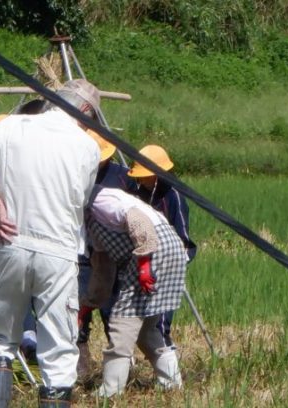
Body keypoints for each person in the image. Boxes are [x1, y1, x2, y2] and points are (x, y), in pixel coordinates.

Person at [0, 79, 103, 407]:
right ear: (83, 110)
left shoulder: (14, 125)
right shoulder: (87, 146)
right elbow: (82, 198)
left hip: (12, 241)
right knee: (58, 351)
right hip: (60, 249)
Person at [83, 187, 187, 397]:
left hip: (153, 251)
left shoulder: (101, 200)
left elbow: (138, 220)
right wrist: (88, 305)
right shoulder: (92, 220)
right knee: (146, 330)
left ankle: (111, 391)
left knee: (123, 322)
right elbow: (103, 271)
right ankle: (171, 384)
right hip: (164, 250)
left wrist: (144, 266)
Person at [75, 129, 136, 379]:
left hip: (115, 254)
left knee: (114, 309)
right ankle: (80, 362)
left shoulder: (122, 177)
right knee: (80, 305)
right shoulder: (75, 173)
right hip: (83, 251)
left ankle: (122, 363)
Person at [127, 144, 195, 354]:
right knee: (136, 325)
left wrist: (173, 263)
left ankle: (170, 375)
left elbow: (184, 239)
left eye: (146, 176)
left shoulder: (174, 196)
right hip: (140, 265)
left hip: (167, 265)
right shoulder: (135, 195)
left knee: (160, 325)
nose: (142, 180)